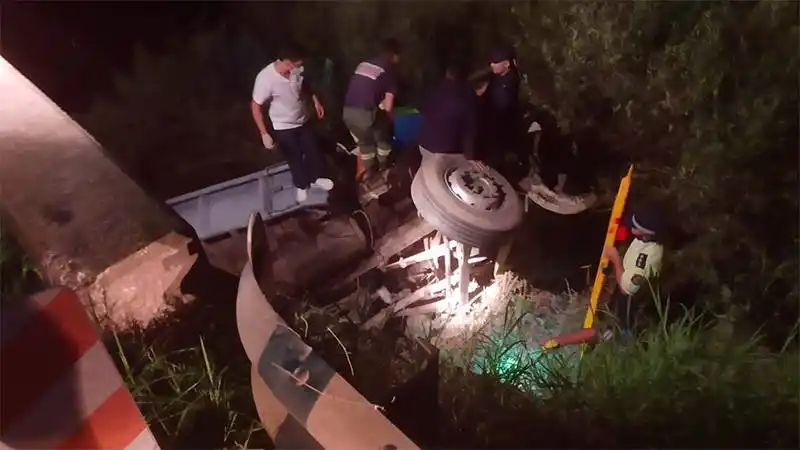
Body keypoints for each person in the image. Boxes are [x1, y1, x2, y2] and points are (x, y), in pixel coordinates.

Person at [250, 42, 333, 203]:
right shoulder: (266, 79)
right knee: (294, 157)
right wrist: (264, 133)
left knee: (313, 150)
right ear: (287, 62)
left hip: (303, 119)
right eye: (298, 64)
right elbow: (255, 106)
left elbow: (305, 85)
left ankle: (316, 178)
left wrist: (315, 101)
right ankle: (301, 185)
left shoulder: (297, 71)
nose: (300, 67)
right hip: (283, 125)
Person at [342, 39, 401, 179]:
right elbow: (388, 106)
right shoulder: (388, 70)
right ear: (394, 55)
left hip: (348, 114)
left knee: (365, 143)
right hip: (365, 114)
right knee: (384, 137)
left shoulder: (363, 64)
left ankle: (369, 172)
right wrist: (391, 120)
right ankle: (384, 166)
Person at [602, 208, 666, 333]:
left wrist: (615, 259)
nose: (631, 226)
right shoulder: (644, 240)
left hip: (631, 301)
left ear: (646, 234)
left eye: (635, 226)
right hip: (625, 289)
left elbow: (626, 289)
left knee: (625, 321)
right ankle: (613, 327)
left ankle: (624, 335)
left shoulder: (645, 260)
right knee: (616, 309)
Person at [417, 60, 480, 160]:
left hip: (425, 146)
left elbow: (423, 110)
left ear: (447, 74)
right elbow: (470, 128)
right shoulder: (467, 94)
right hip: (449, 151)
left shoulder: (434, 88)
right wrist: (470, 157)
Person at [470, 45, 522, 164]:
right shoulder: (496, 78)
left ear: (507, 64)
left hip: (501, 132)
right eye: (491, 62)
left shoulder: (510, 82)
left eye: (496, 62)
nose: (492, 65)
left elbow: (502, 106)